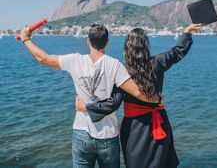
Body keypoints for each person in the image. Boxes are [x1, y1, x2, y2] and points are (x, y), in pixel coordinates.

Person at [20, 24, 159, 168]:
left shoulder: (75, 60)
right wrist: (157, 99)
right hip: (108, 135)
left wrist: (26, 40)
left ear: (88, 41)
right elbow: (137, 92)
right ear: (107, 42)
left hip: (82, 133)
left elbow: (43, 59)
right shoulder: (115, 65)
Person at [75, 23, 202, 168]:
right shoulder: (158, 62)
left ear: (127, 47)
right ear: (146, 45)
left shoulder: (122, 71)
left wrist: (87, 107)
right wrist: (187, 32)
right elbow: (178, 51)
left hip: (134, 128)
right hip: (159, 124)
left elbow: (113, 103)